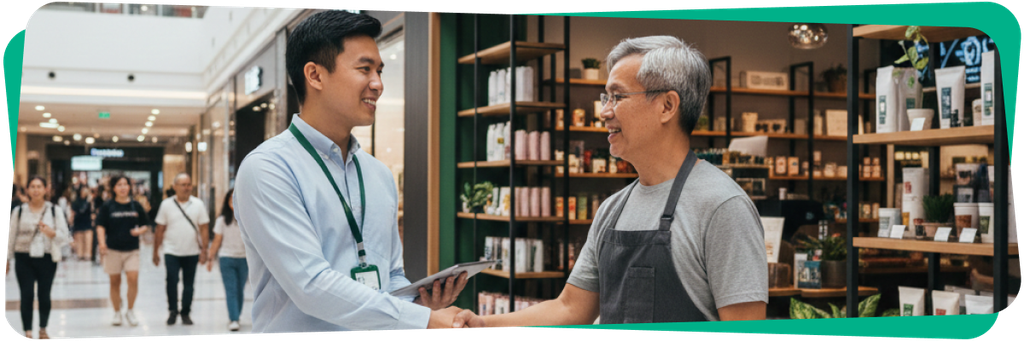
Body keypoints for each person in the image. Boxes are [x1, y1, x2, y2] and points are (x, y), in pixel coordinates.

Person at [453, 36, 768, 329]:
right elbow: (570, 308)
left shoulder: (722, 207)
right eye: (606, 97)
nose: (604, 112)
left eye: (617, 96)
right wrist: (486, 324)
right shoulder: (613, 209)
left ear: (667, 106)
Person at [234, 11, 468, 333]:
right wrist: (422, 320)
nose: (378, 84)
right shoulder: (268, 169)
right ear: (315, 75)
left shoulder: (378, 174)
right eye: (364, 69)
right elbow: (311, 286)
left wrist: (419, 302)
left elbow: (390, 275)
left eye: (380, 71)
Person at [7, 176, 71, 340]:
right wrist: (7, 259)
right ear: (27, 190)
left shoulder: (54, 210)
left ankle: (43, 329)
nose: (36, 190)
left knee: (44, 294)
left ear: (45, 190)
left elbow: (65, 236)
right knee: (26, 294)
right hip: (24, 258)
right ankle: (28, 331)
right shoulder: (19, 211)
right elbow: (11, 236)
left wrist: (52, 233)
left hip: (47, 258)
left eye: (39, 186)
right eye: (32, 187)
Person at [153, 173, 210, 326]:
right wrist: (155, 251)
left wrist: (204, 250)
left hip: (191, 251)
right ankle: (172, 310)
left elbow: (204, 228)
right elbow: (160, 229)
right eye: (183, 185)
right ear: (175, 187)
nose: (186, 188)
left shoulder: (198, 204)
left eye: (189, 184)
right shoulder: (166, 204)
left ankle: (185, 312)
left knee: (189, 284)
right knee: (171, 281)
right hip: (171, 251)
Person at [96, 175, 151, 327]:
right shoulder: (108, 206)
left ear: (129, 187)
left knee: (133, 278)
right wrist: (101, 244)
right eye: (119, 185)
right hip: (113, 249)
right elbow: (100, 225)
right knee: (115, 282)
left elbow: (146, 224)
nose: (122, 187)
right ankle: (116, 312)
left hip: (132, 250)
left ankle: (130, 310)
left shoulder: (136, 205)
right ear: (114, 188)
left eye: (125, 184)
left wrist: (139, 231)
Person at [206, 188, 248, 331]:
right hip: (226, 258)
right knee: (231, 289)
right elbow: (217, 240)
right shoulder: (222, 220)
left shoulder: (247, 219)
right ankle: (234, 318)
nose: (233, 202)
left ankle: (236, 314)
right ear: (227, 202)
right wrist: (210, 257)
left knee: (240, 289)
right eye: (231, 199)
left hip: (244, 259)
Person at [71, 186, 96, 261]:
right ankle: (80, 254)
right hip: (78, 221)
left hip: (87, 221)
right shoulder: (76, 201)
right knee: (79, 238)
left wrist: (90, 201)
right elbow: (74, 211)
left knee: (88, 238)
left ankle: (87, 254)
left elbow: (92, 210)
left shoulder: (89, 201)